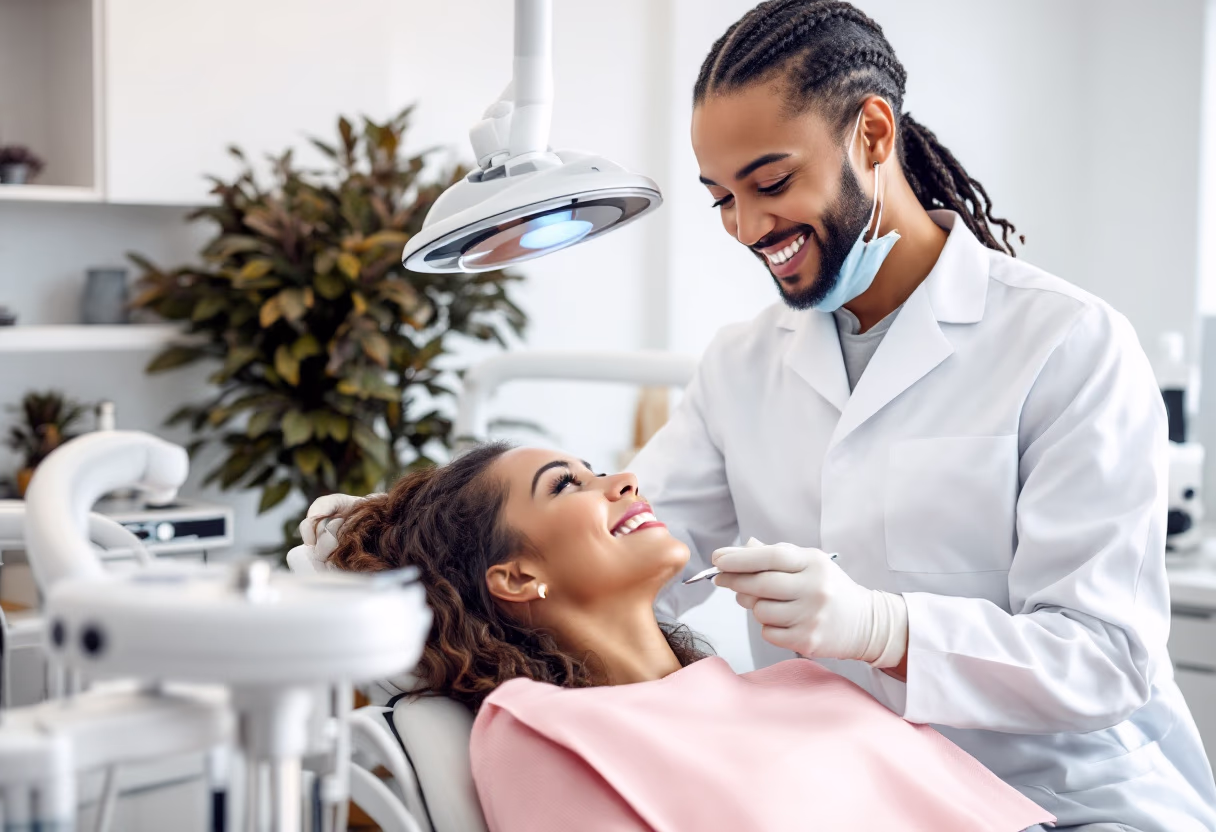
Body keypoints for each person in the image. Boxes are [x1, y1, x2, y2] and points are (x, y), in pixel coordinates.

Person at [624, 1, 1216, 830]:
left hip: (1065, 799)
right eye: (721, 197)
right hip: (856, 797)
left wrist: (882, 628)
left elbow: (1105, 659)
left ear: (871, 133)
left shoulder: (1066, 344)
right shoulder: (741, 367)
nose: (748, 228)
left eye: (771, 182)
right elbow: (632, 564)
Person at [321, 442, 1053, 832]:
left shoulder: (799, 681)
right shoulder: (536, 731)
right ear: (514, 577)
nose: (626, 480)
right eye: (564, 485)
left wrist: (879, 625)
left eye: (601, 469)